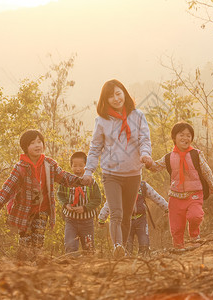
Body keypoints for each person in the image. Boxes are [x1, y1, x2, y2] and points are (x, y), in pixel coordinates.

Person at [81, 79, 153, 259]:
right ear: (105, 100)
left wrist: (145, 154)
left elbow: (145, 139)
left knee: (127, 215)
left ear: (124, 93)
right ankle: (118, 247)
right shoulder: (102, 121)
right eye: (111, 96)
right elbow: (95, 147)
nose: (116, 98)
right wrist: (88, 171)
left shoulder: (138, 116)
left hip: (133, 173)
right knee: (116, 214)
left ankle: (123, 252)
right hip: (111, 174)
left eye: (118, 93)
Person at [0, 130, 88, 257]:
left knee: (38, 241)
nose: (37, 145)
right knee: (25, 243)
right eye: (32, 143)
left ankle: (37, 267)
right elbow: (8, 187)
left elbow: (63, 177)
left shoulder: (49, 164)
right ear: (25, 147)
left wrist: (80, 181)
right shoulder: (20, 167)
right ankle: (24, 267)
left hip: (42, 210)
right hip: (24, 211)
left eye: (39, 142)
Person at [148, 121, 213, 249]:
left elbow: (206, 171)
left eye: (188, 135)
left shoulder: (196, 154)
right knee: (176, 225)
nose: (185, 138)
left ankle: (194, 236)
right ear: (174, 138)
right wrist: (147, 163)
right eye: (181, 135)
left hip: (194, 193)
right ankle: (179, 247)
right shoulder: (168, 157)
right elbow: (155, 167)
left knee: (195, 216)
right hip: (175, 196)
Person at [98, 180, 168, 256]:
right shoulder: (119, 186)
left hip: (141, 219)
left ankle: (143, 260)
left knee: (144, 243)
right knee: (127, 245)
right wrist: (102, 218)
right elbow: (110, 203)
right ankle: (126, 261)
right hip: (126, 220)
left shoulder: (143, 186)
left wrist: (167, 208)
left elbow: (156, 197)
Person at [57, 152, 102, 255]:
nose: (78, 169)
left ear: (86, 166)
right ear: (71, 166)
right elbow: (60, 195)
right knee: (70, 246)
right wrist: (66, 205)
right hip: (71, 221)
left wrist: (85, 208)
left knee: (89, 248)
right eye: (75, 166)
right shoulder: (66, 181)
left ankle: (88, 269)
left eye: (81, 166)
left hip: (87, 222)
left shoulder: (92, 182)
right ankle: (71, 268)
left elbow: (97, 199)